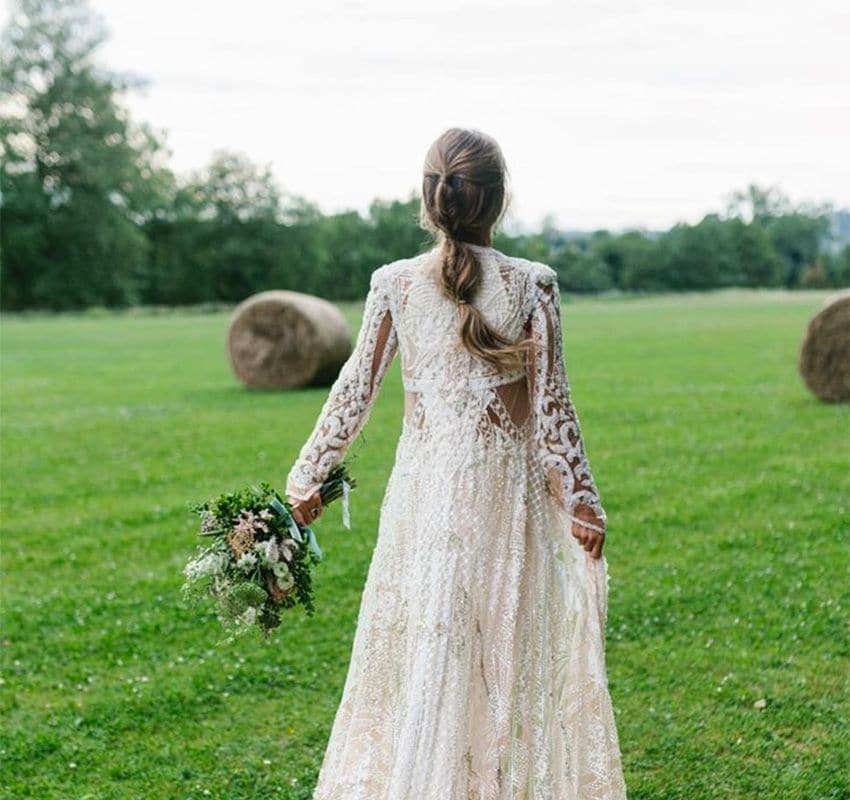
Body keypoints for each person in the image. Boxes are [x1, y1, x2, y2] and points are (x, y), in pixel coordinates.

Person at [286, 127, 628, 799]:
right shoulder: (534, 285)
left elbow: (353, 392)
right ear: (497, 203)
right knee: (501, 652)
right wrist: (582, 500)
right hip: (507, 499)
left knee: (431, 652)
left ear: (430, 198)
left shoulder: (395, 284)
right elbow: (551, 406)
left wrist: (307, 481)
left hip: (425, 498)